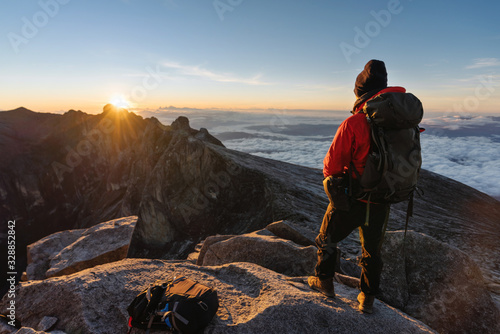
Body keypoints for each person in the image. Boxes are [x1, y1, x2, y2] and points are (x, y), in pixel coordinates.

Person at [308, 59, 404, 314]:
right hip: (383, 200)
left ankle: (325, 283)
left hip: (354, 199)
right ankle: (367, 299)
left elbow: (332, 167)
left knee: (327, 239)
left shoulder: (354, 123)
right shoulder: (401, 123)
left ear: (360, 93)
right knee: (372, 251)